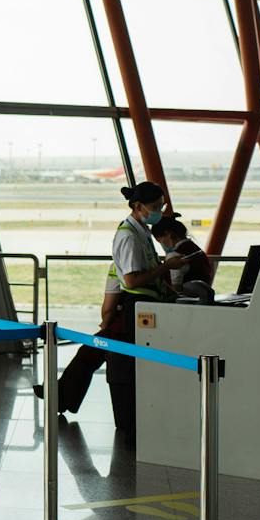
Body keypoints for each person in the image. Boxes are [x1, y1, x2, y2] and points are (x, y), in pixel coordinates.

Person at [43, 180, 181, 437]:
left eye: (161, 206)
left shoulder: (140, 232)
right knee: (98, 350)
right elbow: (131, 280)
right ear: (138, 206)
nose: (159, 212)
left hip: (143, 308)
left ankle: (60, 396)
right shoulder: (128, 236)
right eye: (155, 206)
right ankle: (60, 396)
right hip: (135, 310)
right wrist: (166, 268)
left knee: (94, 351)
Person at [153, 216, 214, 301]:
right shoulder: (197, 251)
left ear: (168, 234)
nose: (162, 245)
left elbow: (175, 288)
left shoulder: (175, 256)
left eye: (160, 241)